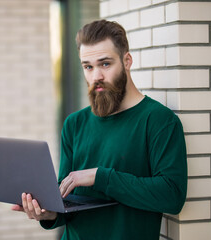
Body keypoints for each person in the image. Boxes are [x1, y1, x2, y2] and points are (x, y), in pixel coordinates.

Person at [12, 19, 187, 240]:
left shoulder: (159, 120)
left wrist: (100, 177)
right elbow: (66, 197)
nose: (96, 76)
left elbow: (172, 195)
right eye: (88, 66)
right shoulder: (74, 124)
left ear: (127, 61)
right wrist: (49, 213)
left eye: (105, 64)